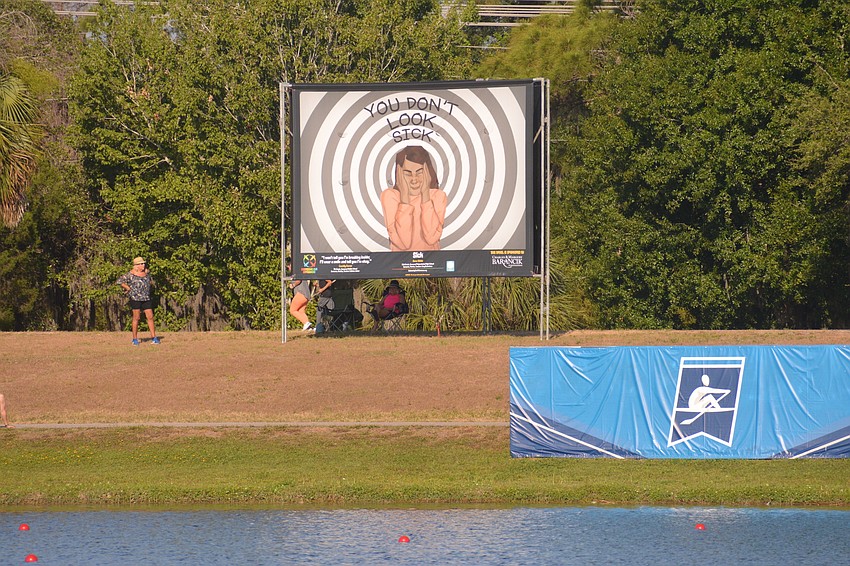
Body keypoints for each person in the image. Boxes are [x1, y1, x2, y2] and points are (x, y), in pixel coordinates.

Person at [380, 145, 448, 251]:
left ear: (427, 172)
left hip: (432, 260)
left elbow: (431, 238)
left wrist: (425, 195)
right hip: (400, 261)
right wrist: (404, 198)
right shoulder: (390, 196)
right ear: (399, 174)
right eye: (408, 173)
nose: (414, 179)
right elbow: (403, 243)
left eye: (419, 172)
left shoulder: (438, 196)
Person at [117, 257, 160, 346]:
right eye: (141, 264)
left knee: (150, 317)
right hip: (135, 298)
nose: (143, 265)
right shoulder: (130, 274)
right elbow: (120, 281)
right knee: (136, 317)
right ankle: (135, 339)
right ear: (136, 265)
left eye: (143, 263)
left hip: (146, 298)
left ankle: (154, 337)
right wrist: (128, 288)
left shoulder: (147, 273)